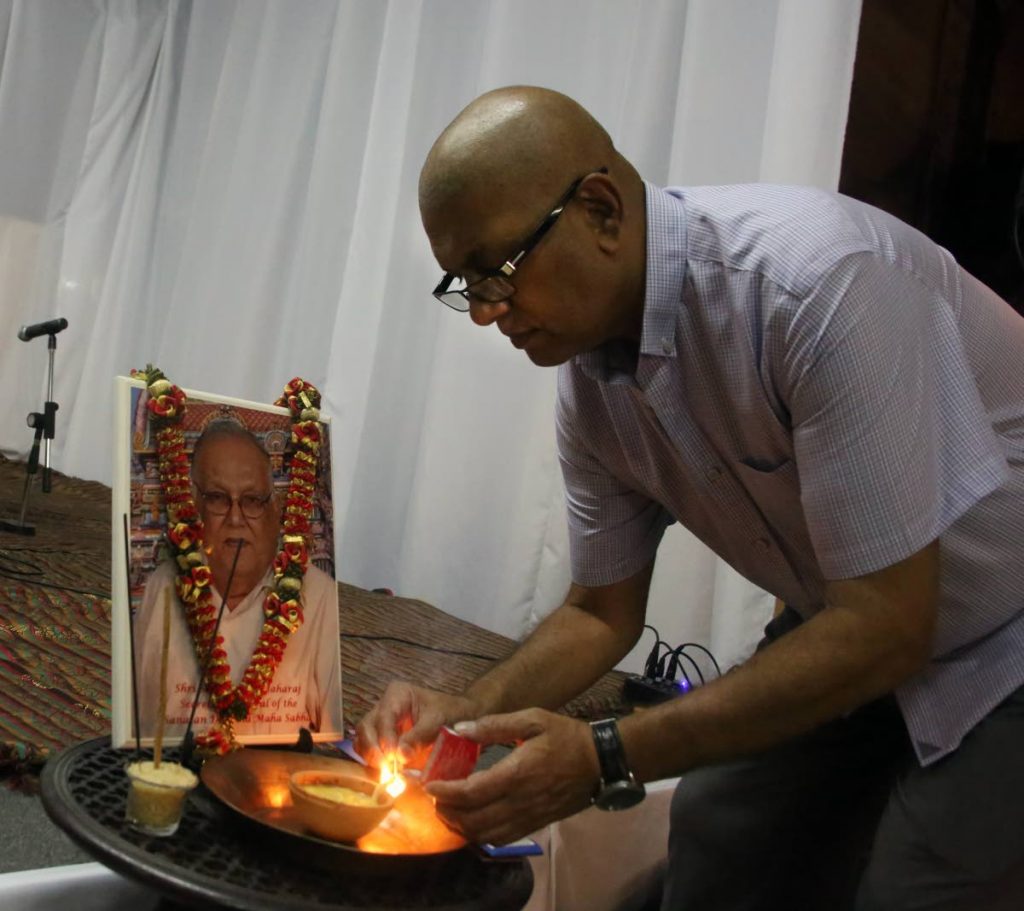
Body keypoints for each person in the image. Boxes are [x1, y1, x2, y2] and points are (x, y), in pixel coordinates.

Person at [356, 86, 1024, 910]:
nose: (486, 311)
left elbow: (887, 624)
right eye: (463, 283)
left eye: (496, 270)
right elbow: (601, 608)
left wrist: (605, 752)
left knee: (913, 890)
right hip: (866, 622)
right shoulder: (593, 383)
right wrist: (468, 707)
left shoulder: (812, 285)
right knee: (720, 827)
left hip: (1005, 632)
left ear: (600, 208)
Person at [134, 418, 342, 740]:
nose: (235, 518)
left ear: (275, 511)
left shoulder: (320, 596)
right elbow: (139, 728)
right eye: (217, 498)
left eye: (251, 500)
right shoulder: (164, 587)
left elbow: (334, 742)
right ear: (194, 507)